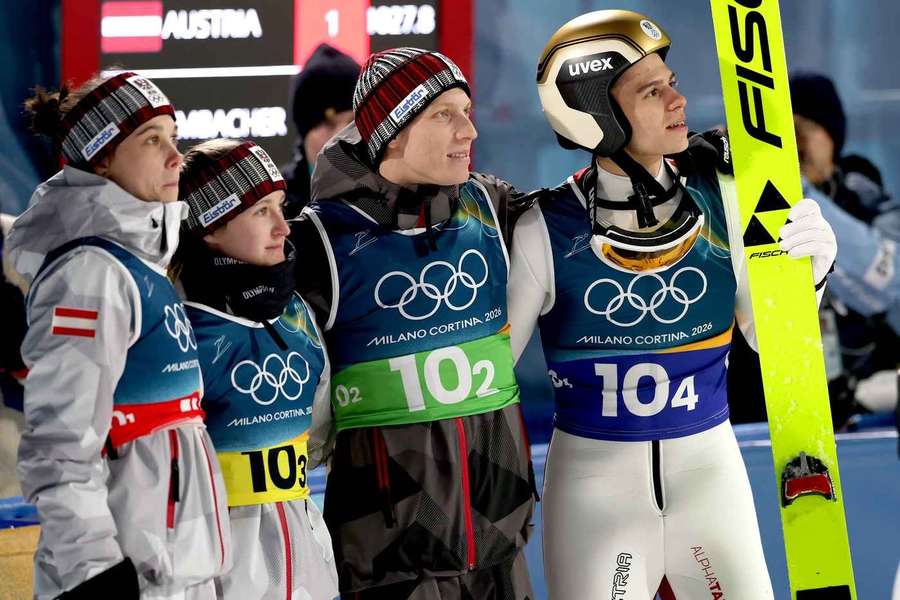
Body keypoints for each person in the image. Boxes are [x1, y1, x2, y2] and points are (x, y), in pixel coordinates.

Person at [507, 11, 837, 598]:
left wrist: (809, 277)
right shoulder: (543, 228)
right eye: (651, 91)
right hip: (591, 493)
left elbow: (770, 341)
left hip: (711, 475)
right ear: (596, 115)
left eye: (672, 81)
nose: (678, 99)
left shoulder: (725, 194)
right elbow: (484, 378)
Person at [293, 47, 536, 599]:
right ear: (393, 132)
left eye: (467, 111)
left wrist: (688, 167)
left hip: (501, 548)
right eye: (444, 115)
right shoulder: (317, 240)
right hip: (394, 566)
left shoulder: (490, 206)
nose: (469, 130)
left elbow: (601, 218)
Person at [6, 72, 231, 599]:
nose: (176, 156)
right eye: (152, 140)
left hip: (173, 573)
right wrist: (94, 574)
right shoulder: (91, 273)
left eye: (173, 138)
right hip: (127, 576)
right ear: (101, 158)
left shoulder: (140, 266)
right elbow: (60, 444)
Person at [174, 138, 338, 599]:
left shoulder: (297, 315)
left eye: (280, 207)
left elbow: (320, 435)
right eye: (260, 211)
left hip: (308, 569)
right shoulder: (180, 329)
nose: (283, 227)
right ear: (210, 227)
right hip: (216, 577)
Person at [281, 43, 360, 217]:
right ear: (304, 132)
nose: (341, 136)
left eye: (352, 122)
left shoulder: (400, 198)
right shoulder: (277, 207)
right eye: (327, 123)